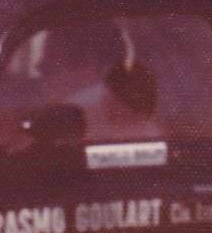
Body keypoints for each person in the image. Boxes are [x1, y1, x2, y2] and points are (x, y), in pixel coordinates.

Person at [35, 22, 163, 143]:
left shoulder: (72, 116)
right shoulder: (137, 114)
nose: (40, 68)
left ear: (86, 67)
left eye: (51, 60)